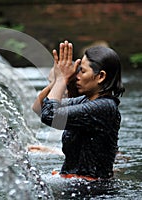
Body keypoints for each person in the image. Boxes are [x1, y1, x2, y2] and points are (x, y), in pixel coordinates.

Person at [30, 40, 125, 180]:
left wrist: (62, 80)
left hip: (92, 192)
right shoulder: (85, 100)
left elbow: (50, 116)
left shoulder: (104, 107)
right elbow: (40, 108)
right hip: (74, 184)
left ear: (101, 76)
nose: (77, 75)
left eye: (82, 71)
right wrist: (56, 81)